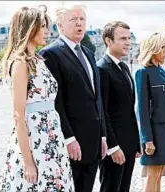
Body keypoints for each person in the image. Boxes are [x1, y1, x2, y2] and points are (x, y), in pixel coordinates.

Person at [0, 6, 74, 192]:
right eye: (42, 26)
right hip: (34, 140)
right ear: (29, 28)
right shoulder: (20, 63)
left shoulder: (39, 60)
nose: (47, 31)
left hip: (52, 136)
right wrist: (28, 161)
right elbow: (18, 114)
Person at [39, 4, 108, 192]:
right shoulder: (50, 54)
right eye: (73, 19)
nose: (79, 24)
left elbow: (97, 97)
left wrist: (102, 134)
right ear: (60, 26)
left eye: (82, 19)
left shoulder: (89, 53)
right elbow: (56, 101)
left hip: (94, 142)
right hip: (72, 142)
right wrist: (68, 137)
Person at [97, 21, 142, 192]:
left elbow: (129, 110)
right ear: (108, 41)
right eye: (122, 38)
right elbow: (103, 112)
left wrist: (135, 142)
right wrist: (112, 146)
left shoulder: (123, 67)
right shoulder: (102, 69)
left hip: (128, 143)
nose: (128, 42)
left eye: (129, 38)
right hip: (114, 146)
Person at [135, 32, 165, 192]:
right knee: (153, 173)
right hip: (153, 131)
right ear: (152, 50)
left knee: (159, 172)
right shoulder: (143, 72)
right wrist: (147, 139)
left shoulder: (161, 71)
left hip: (164, 128)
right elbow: (142, 109)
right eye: (162, 48)